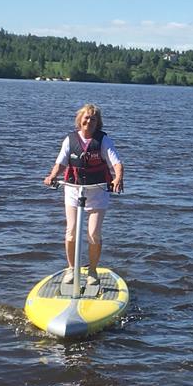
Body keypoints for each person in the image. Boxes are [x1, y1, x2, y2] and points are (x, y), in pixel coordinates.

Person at [43, 103, 124, 286]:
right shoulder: (70, 139)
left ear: (98, 123)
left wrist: (117, 178)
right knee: (71, 231)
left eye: (93, 119)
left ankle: (92, 272)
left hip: (98, 191)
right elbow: (61, 163)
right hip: (73, 189)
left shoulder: (103, 141)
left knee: (93, 233)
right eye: (86, 117)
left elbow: (117, 163)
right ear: (80, 120)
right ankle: (72, 269)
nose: (89, 121)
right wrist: (52, 176)